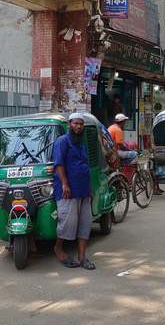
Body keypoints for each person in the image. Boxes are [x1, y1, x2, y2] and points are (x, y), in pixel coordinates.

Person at [52, 113, 96, 270]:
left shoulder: (81, 144)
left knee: (85, 224)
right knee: (67, 223)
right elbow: (58, 164)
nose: (78, 127)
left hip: (83, 189)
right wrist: (65, 184)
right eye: (76, 124)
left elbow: (85, 166)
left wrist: (89, 189)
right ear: (69, 124)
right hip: (68, 190)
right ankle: (59, 248)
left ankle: (81, 257)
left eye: (81, 124)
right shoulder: (62, 141)